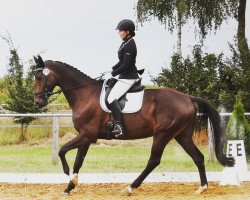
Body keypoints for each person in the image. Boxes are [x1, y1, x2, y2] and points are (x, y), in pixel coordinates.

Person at [104, 19, 139, 138]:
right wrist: (110, 70)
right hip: (124, 75)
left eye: (121, 31)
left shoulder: (130, 44)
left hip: (129, 77)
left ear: (127, 31)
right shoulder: (126, 42)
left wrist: (113, 74)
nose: (119, 32)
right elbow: (121, 61)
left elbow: (126, 65)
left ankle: (119, 126)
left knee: (111, 97)